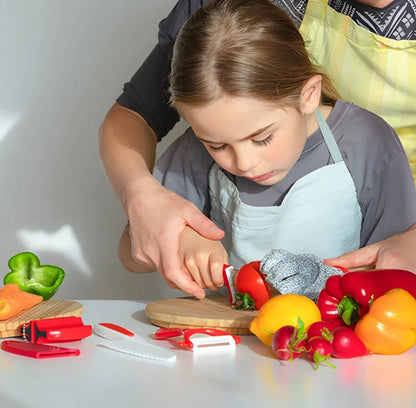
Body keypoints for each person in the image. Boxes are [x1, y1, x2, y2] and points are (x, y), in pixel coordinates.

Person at [99, 0, 416, 299]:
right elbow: (131, 252)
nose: (245, 163)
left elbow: (393, 278)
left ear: (309, 95)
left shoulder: (369, 143)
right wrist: (171, 231)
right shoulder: (197, 151)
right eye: (217, 145)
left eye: (263, 138)